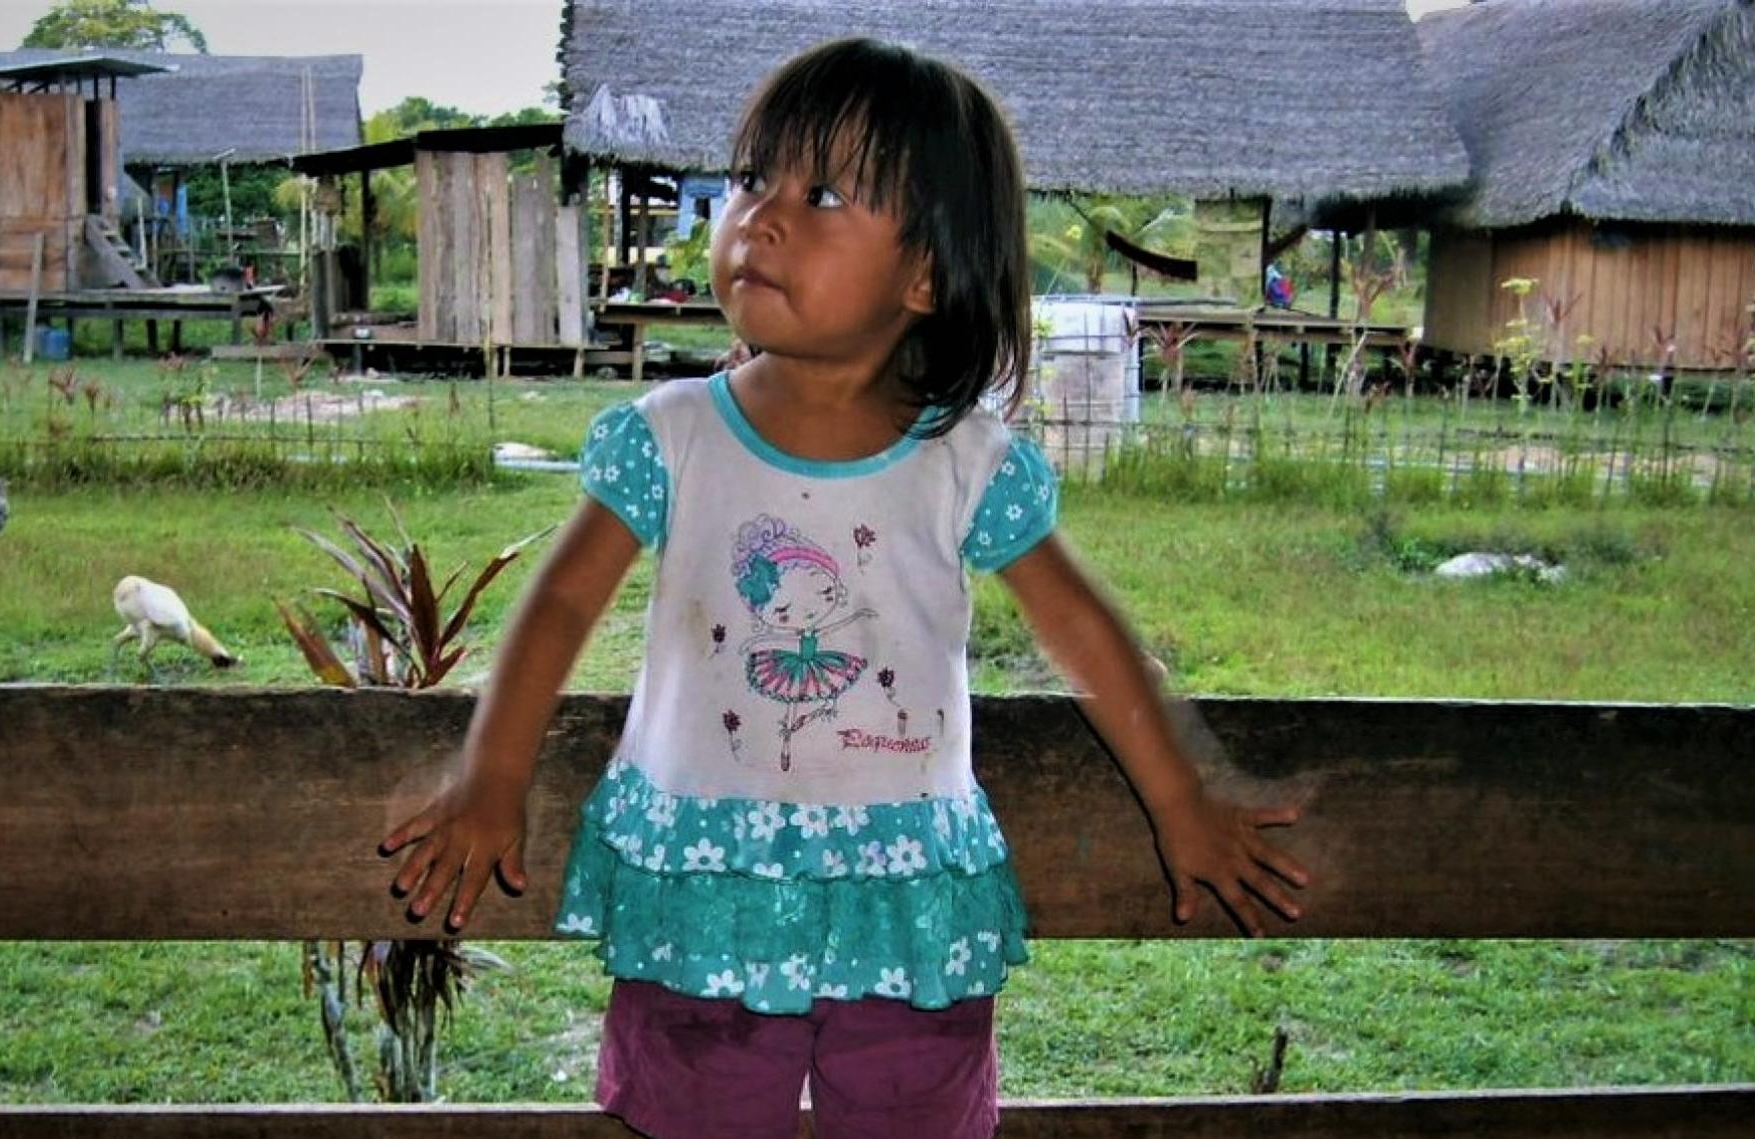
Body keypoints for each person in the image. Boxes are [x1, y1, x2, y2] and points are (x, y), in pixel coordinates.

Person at [379, 36, 1309, 1139]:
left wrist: (1182, 798)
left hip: (904, 901)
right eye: (748, 182)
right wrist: (491, 772)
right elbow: (562, 606)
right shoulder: (670, 437)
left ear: (923, 272)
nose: (758, 217)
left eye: (819, 194)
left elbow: (1081, 631)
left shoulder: (964, 460)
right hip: (704, 891)